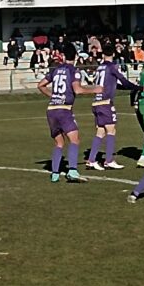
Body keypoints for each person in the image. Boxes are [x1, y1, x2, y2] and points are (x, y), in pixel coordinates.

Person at [37, 43, 102, 183]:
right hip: (64, 110)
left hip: (51, 109)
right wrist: (95, 90)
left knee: (59, 142)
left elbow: (40, 85)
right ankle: (72, 171)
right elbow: (77, 89)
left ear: (63, 56)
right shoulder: (74, 70)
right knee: (74, 140)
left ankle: (55, 173)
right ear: (76, 56)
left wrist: (53, 96)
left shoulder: (55, 69)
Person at [85, 45, 140, 170]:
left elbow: (112, 84)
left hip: (96, 101)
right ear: (114, 54)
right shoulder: (111, 67)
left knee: (101, 131)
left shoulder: (100, 68)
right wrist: (137, 87)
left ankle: (91, 159)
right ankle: (109, 160)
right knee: (111, 130)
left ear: (103, 54)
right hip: (105, 102)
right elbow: (123, 81)